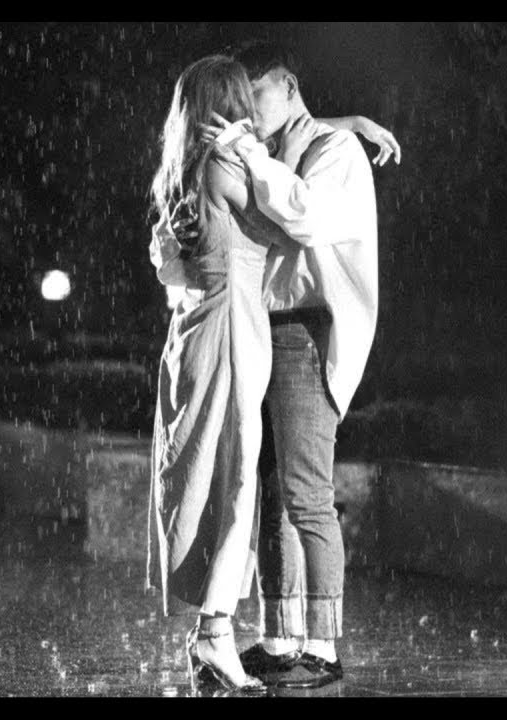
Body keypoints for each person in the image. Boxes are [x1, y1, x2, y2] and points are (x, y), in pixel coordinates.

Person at [152, 41, 393, 689]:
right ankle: (278, 637)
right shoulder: (248, 152)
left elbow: (305, 217)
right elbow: (260, 170)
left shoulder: (331, 152)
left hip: (300, 330)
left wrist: (345, 125)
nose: (245, 114)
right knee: (261, 492)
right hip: (252, 327)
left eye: (253, 98)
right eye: (236, 103)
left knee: (304, 493)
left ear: (287, 86)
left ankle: (321, 645)